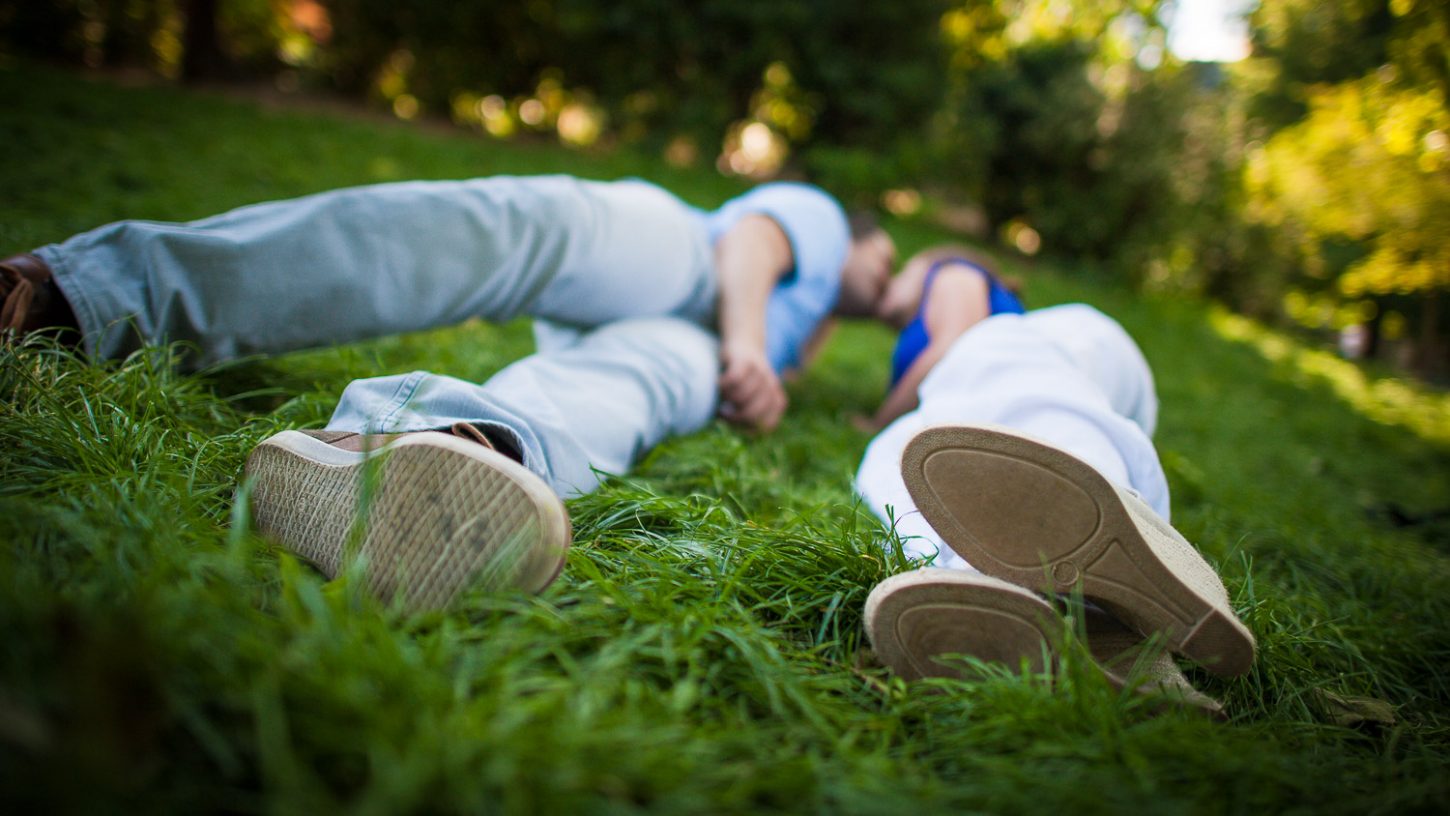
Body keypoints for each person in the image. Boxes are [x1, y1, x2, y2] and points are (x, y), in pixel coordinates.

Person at [1, 175, 896, 610]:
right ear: (861, 242)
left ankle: (432, 449)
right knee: (502, 231)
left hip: (688, 343)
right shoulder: (821, 219)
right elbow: (752, 247)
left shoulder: (817, 333)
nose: (888, 277)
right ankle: (83, 293)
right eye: (886, 259)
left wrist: (758, 369)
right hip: (677, 253)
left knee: (638, 387)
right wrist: (748, 348)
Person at [853, 244, 1254, 706]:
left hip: (1066, 347)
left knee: (984, 351)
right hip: (1045, 389)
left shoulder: (949, 271)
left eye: (898, 270)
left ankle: (1103, 515)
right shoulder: (949, 370)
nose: (890, 280)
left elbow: (953, 340)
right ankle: (1115, 646)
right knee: (894, 454)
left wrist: (875, 416)